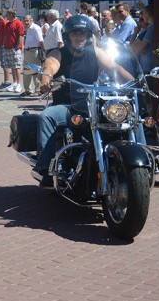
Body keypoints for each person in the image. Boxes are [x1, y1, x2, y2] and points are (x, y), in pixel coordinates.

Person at [33, 15, 136, 184]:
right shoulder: (59, 53)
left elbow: (113, 67)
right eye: (75, 34)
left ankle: (145, 162)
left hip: (92, 104)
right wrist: (46, 79)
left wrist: (133, 82)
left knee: (129, 116)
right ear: (67, 37)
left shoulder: (95, 52)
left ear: (88, 36)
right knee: (47, 116)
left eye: (82, 34)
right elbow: (50, 65)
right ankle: (45, 167)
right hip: (67, 105)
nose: (79, 37)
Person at [2, 10, 25, 93]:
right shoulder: (8, 24)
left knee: (17, 66)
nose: (6, 16)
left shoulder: (18, 23)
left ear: (11, 14)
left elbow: (21, 35)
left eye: (7, 14)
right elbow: (5, 36)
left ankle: (19, 84)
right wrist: (4, 45)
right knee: (12, 66)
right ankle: (14, 83)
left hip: (14, 48)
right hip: (7, 48)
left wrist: (18, 47)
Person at [22, 15, 44, 95]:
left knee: (35, 71)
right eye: (25, 21)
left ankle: (37, 90)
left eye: (28, 20)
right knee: (26, 71)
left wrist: (43, 53)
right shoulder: (28, 29)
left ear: (32, 20)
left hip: (34, 51)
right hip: (27, 51)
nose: (26, 22)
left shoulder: (35, 28)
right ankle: (28, 90)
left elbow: (41, 41)